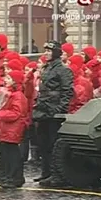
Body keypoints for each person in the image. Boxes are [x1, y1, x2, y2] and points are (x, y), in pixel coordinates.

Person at [32, 40, 74, 187]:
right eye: (46, 51)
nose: (46, 53)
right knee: (43, 144)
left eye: (49, 51)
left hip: (54, 111)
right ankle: (46, 172)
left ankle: (56, 175)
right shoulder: (47, 68)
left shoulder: (63, 70)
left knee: (53, 144)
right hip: (43, 110)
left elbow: (67, 92)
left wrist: (59, 109)